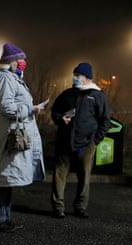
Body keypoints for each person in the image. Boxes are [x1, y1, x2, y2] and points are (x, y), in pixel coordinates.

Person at [0, 42, 46, 232]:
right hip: (8, 135)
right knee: (4, 179)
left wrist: (30, 108)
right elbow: (7, 107)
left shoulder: (13, 78)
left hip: (11, 133)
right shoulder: (6, 79)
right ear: (12, 61)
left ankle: (4, 217)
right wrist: (31, 108)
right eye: (21, 60)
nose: (23, 63)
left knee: (8, 179)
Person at [50, 62, 111, 219]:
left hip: (86, 144)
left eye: (78, 75)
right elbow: (55, 110)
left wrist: (95, 141)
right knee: (59, 174)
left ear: (88, 78)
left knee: (84, 176)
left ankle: (80, 206)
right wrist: (59, 118)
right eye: (74, 75)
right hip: (65, 141)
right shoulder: (67, 94)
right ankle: (58, 207)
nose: (74, 78)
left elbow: (105, 121)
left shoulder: (97, 96)